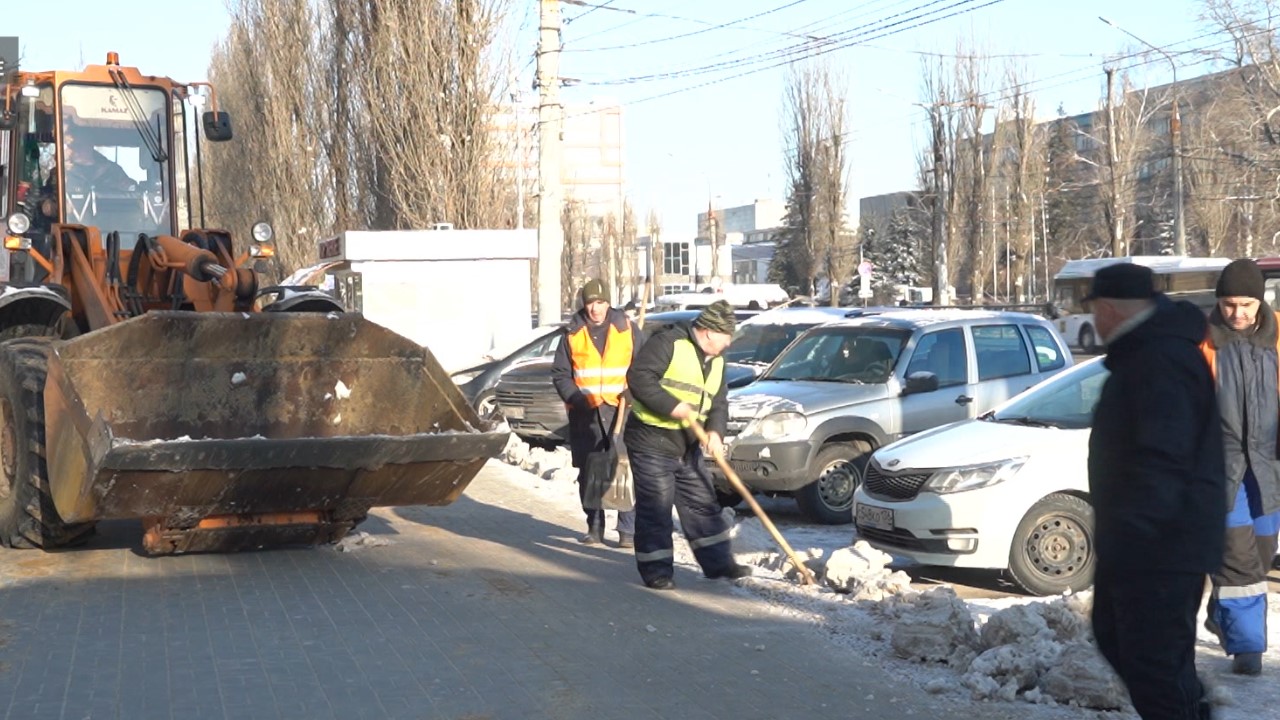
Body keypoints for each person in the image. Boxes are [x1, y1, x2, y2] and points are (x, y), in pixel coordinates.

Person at [1086, 263, 1224, 720]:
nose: (1094, 323)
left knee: (1155, 667)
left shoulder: (1159, 359)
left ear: (1107, 310)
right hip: (1144, 543)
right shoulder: (1147, 354)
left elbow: (1164, 458)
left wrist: (1136, 539)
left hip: (1159, 548)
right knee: (1123, 642)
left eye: (1094, 312)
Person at [624, 299, 751, 590]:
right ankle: (656, 570)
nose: (729, 343)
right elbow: (639, 378)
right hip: (652, 440)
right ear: (708, 332)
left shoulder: (717, 359)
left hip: (688, 446)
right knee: (656, 506)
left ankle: (719, 564)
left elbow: (718, 402)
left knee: (703, 503)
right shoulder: (668, 342)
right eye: (727, 337)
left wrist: (716, 432)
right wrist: (671, 406)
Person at [1199, 258, 1280, 677]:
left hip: (1267, 472)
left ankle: (1221, 611)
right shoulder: (1204, 343)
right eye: (1229, 305)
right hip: (1220, 472)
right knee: (1237, 560)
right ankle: (1247, 648)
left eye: (1245, 304)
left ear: (1260, 300)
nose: (1237, 314)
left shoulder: (1278, 336)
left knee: (1264, 551)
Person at [550, 279, 641, 547]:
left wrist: (633, 391)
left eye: (600, 302)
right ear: (584, 304)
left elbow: (645, 367)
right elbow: (560, 374)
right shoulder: (572, 333)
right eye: (591, 302)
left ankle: (628, 530)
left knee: (624, 469)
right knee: (590, 471)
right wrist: (576, 398)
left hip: (621, 411)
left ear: (608, 303)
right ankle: (595, 526)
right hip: (585, 414)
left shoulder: (627, 329)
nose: (595, 308)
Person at [61, 127, 135, 194]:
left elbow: (135, 192)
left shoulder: (112, 170)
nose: (74, 149)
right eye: (70, 146)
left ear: (90, 144)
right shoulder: (61, 172)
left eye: (79, 145)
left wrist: (129, 187)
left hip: (107, 208)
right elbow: (51, 199)